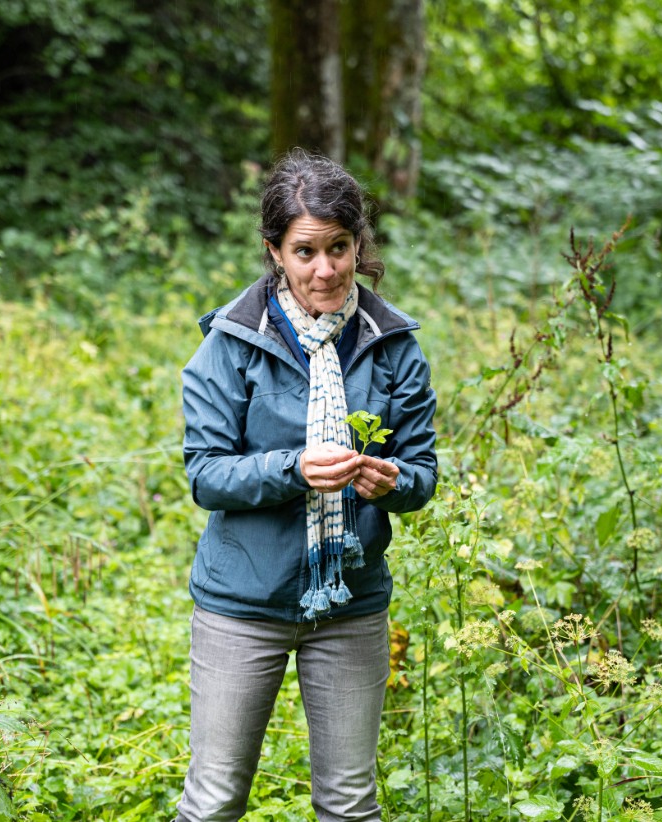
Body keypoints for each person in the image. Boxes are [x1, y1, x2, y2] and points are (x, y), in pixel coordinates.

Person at [175, 149, 438, 822]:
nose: (325, 269)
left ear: (358, 245)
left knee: (350, 805)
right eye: (305, 251)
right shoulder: (230, 345)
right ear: (274, 251)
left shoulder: (393, 344)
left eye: (339, 248)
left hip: (349, 607)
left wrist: (392, 480)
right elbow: (205, 472)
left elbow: (423, 474)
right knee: (212, 802)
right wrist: (290, 468)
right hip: (243, 605)